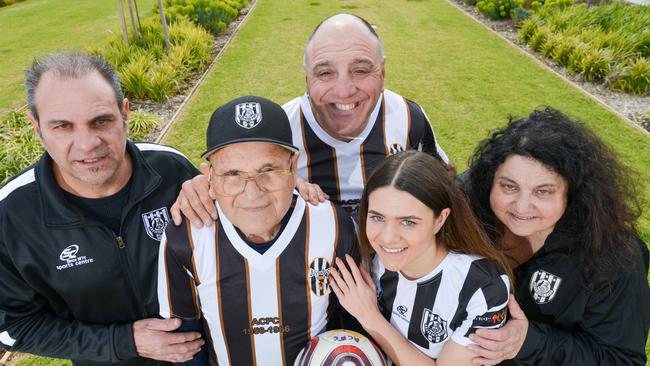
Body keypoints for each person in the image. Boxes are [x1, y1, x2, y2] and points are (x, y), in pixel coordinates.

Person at [0, 52, 204, 365]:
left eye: (101, 120)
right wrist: (123, 342)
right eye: (63, 126)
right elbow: (14, 326)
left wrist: (286, 191)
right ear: (37, 127)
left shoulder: (172, 169)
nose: (87, 143)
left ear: (124, 114)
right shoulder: (11, 215)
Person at [172, 13, 451, 225]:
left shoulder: (407, 116)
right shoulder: (279, 131)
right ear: (306, 78)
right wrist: (200, 189)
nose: (344, 90)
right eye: (325, 73)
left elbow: (444, 187)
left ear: (383, 71)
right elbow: (236, 181)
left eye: (361, 70)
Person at [157, 96, 358, 366]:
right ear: (210, 176)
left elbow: (351, 323)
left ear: (292, 165)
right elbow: (186, 344)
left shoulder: (333, 225)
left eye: (269, 170)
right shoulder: (185, 237)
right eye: (232, 174)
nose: (252, 192)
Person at [463, 108, 650, 365]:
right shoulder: (467, 210)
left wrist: (528, 341)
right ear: (489, 181)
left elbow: (622, 360)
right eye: (509, 186)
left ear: (572, 193)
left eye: (543, 192)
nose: (521, 206)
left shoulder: (615, 258)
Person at [328, 151, 511, 365]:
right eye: (377, 217)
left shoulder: (481, 287)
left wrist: (370, 316)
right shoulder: (366, 260)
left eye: (408, 222)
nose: (387, 238)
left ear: (439, 219)